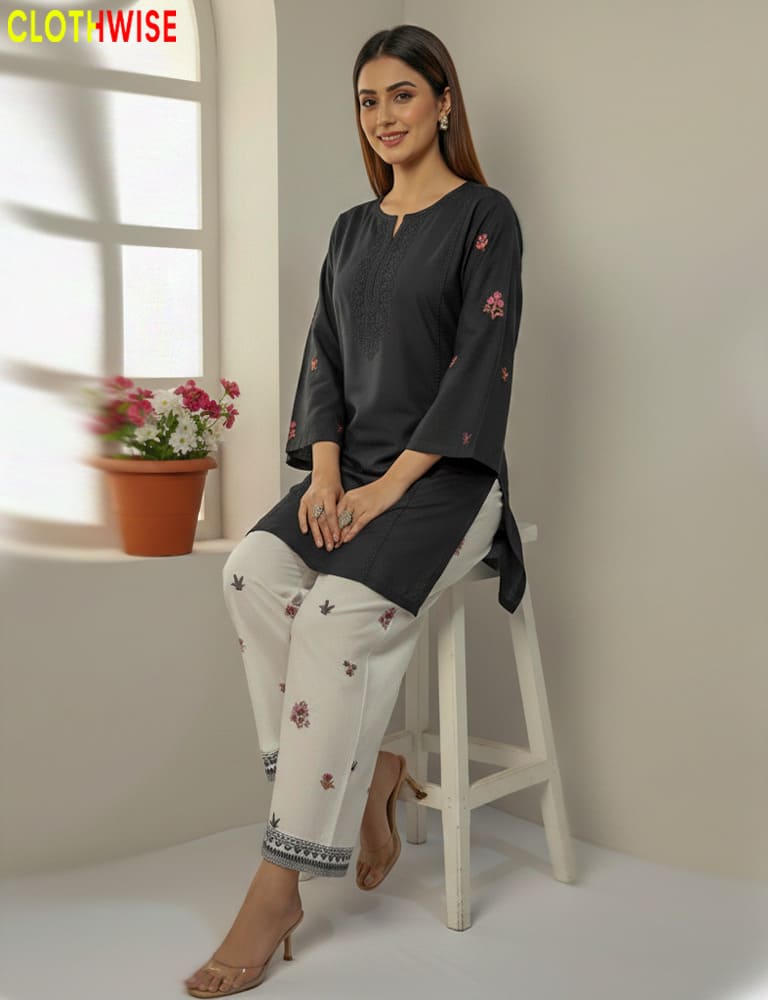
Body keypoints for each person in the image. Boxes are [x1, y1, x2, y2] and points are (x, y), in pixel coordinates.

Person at [184, 22, 527, 998]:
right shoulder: (348, 229)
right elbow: (323, 364)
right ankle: (370, 770)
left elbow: (478, 374)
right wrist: (328, 478)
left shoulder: (486, 217)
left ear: (444, 102)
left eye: (403, 97)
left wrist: (386, 488)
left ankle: (278, 880)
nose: (384, 117)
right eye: (369, 101)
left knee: (336, 615)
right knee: (250, 570)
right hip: (352, 472)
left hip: (447, 481)